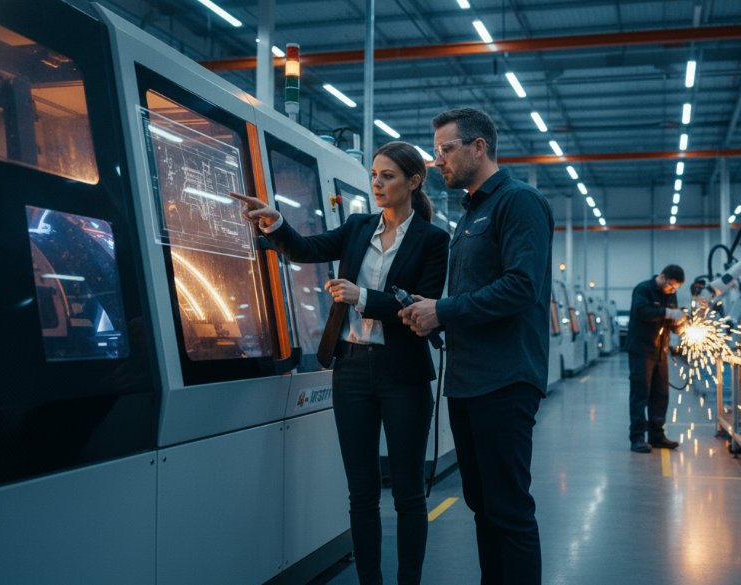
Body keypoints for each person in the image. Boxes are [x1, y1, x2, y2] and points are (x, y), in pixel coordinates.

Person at [231, 141, 449, 585]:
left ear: (413, 181)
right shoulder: (356, 227)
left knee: (408, 493)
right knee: (362, 493)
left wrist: (362, 296)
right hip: (351, 369)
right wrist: (277, 224)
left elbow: (421, 306)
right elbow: (305, 248)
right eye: (374, 175)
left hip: (403, 375)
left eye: (388, 176)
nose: (378, 183)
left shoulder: (433, 240)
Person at [399, 107, 553, 585]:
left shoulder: (517, 203)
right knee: (483, 507)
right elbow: (474, 297)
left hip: (505, 380)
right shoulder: (470, 214)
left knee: (508, 510)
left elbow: (521, 286)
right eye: (436, 150)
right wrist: (433, 311)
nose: (437, 160)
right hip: (469, 381)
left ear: (478, 147)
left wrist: (442, 311)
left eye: (446, 149)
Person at [626, 264, 686, 453]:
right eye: (671, 286)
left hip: (661, 351)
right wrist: (667, 313)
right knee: (640, 394)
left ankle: (657, 436)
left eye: (676, 288)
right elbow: (641, 311)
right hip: (641, 350)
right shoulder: (643, 290)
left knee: (660, 395)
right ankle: (637, 438)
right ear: (663, 277)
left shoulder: (670, 294)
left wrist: (681, 322)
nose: (673, 291)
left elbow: (671, 321)